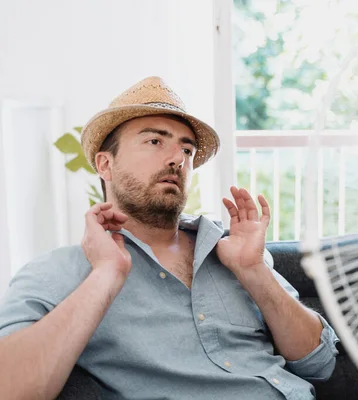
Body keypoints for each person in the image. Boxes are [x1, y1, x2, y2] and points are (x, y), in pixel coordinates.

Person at [0, 76, 339, 399]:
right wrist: (106, 273)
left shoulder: (236, 250)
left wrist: (254, 271)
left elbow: (319, 364)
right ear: (105, 164)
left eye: (187, 150)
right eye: (154, 141)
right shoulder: (61, 272)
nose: (177, 158)